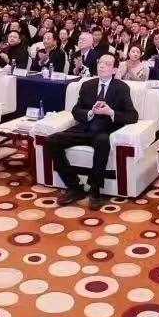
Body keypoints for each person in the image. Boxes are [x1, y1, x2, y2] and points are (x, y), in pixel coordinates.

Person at [43, 53, 138, 209]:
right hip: (84, 129)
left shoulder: (121, 88)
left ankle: (95, 190)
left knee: (102, 141)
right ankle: (74, 187)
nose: (102, 66)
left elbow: (132, 116)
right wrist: (90, 112)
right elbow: (76, 110)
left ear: (115, 70)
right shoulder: (87, 85)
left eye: (107, 64)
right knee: (51, 141)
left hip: (105, 130)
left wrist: (111, 113)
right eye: (100, 62)